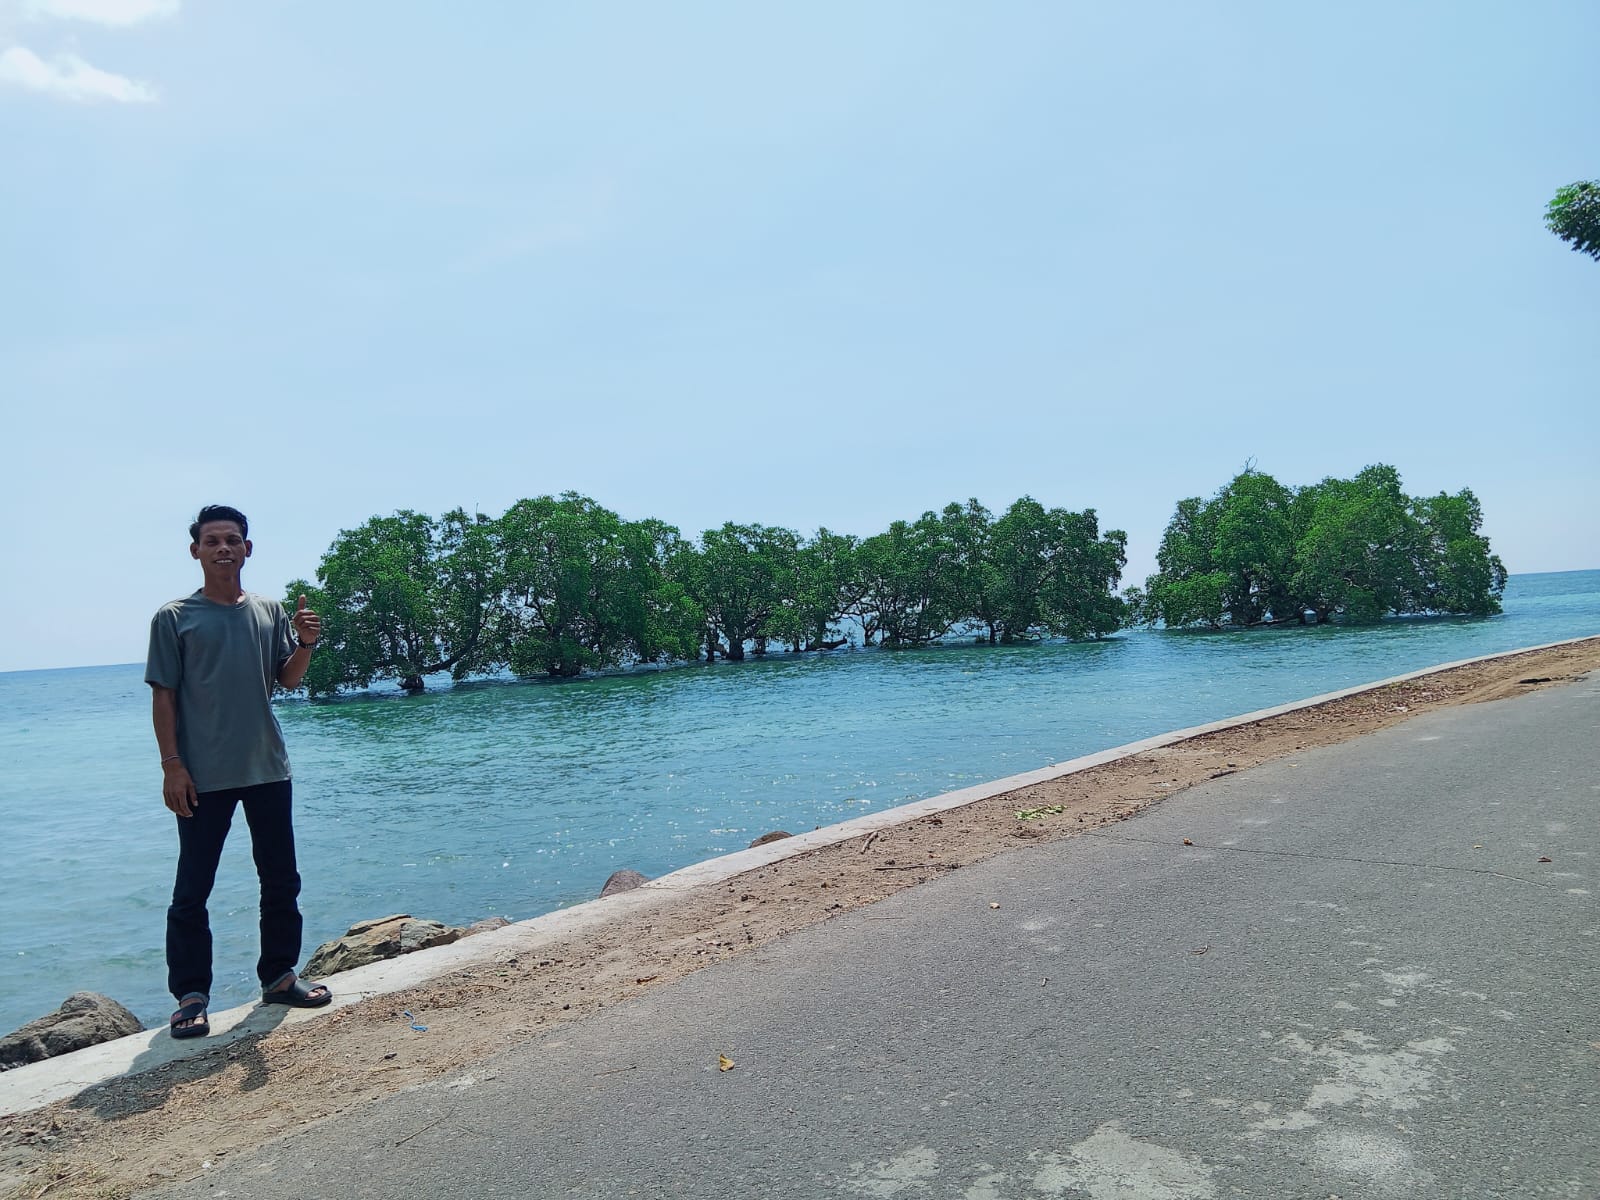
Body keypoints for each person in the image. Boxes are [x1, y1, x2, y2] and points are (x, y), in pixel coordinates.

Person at [146, 505, 332, 1039]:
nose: (223, 548)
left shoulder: (270, 610)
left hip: (267, 766)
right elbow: (164, 697)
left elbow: (288, 680)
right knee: (192, 888)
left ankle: (279, 976)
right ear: (196, 551)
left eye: (232, 540)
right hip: (201, 776)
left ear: (247, 548)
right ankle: (191, 995)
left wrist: (306, 643)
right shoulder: (174, 617)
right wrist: (172, 767)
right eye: (212, 541)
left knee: (281, 879)